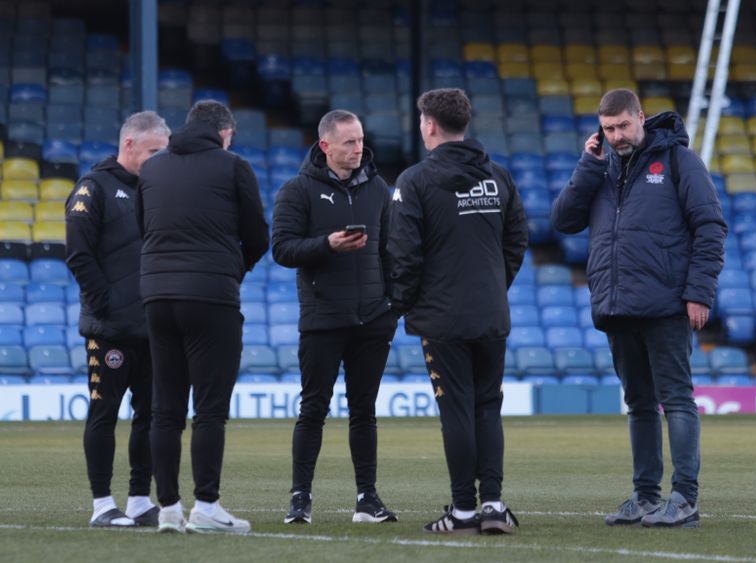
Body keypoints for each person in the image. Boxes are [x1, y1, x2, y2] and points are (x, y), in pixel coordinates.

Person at [550, 88, 727, 529]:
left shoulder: (679, 162)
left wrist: (699, 293)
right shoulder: (601, 167)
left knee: (677, 402)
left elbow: (710, 227)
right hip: (618, 305)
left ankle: (684, 499)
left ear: (641, 118)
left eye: (623, 126)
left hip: (667, 305)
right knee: (639, 404)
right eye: (608, 129)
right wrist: (587, 166)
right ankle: (646, 497)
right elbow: (563, 221)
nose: (616, 136)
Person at [387, 88, 528, 535]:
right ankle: (493, 505)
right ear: (464, 123)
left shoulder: (415, 181)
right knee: (488, 406)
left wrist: (403, 302)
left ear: (429, 125)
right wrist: (492, 286)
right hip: (490, 314)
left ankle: (463, 510)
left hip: (442, 318)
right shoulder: (499, 176)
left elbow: (403, 254)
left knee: (457, 412)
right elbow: (517, 239)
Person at [135, 100, 269, 534]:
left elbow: (144, 227)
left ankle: (168, 509)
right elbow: (257, 236)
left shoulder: (152, 170)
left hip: (157, 296)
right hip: (211, 297)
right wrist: (232, 269)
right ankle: (207, 506)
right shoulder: (233, 166)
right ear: (224, 133)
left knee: (165, 409)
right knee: (209, 409)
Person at [271, 110, 398, 525]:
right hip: (323, 318)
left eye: (360, 140)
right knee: (313, 409)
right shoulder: (297, 191)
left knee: (364, 411)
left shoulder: (379, 188)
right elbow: (282, 250)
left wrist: (392, 307)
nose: (358, 148)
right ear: (326, 146)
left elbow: (392, 252)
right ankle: (300, 498)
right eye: (349, 142)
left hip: (373, 320)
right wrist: (326, 244)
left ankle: (367, 498)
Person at [65, 111, 170, 528]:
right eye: (154, 152)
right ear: (129, 145)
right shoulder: (93, 188)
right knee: (104, 414)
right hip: (108, 331)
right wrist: (105, 303)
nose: (161, 160)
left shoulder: (158, 189)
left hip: (152, 327)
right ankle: (102, 505)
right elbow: (78, 254)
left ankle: (141, 500)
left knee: (150, 415)